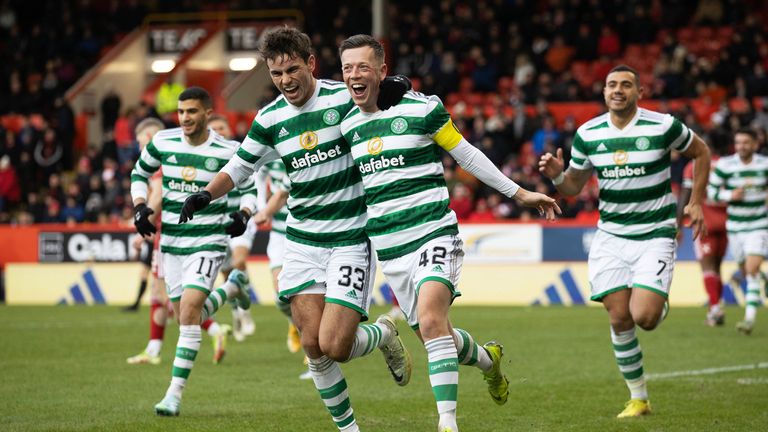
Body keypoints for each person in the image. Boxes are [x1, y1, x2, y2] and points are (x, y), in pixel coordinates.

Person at [178, 28, 413, 431]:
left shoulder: (344, 97)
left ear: (311, 65)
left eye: (291, 70)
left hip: (350, 239)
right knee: (311, 345)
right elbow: (239, 167)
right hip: (302, 241)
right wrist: (205, 194)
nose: (285, 81)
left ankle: (384, 334)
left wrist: (400, 87)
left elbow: (393, 103)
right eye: (276, 74)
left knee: (336, 346)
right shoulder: (270, 118)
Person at [337, 34, 560, 432]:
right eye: (347, 68)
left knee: (432, 319)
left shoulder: (422, 109)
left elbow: (466, 153)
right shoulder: (346, 122)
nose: (355, 75)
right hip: (390, 247)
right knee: (432, 333)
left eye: (363, 67)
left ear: (382, 71)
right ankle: (490, 362)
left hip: (433, 233)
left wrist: (519, 192)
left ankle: (447, 424)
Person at [539, 64, 711, 418]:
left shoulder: (663, 126)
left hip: (655, 233)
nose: (618, 90)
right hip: (611, 236)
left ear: (639, 93)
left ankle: (656, 299)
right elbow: (574, 186)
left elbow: (702, 152)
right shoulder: (588, 133)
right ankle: (639, 399)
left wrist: (696, 200)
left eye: (626, 85)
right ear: (603, 92)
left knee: (644, 317)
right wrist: (558, 178)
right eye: (612, 85)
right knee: (619, 318)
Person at [130, 87, 256, 416]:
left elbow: (250, 188)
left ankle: (173, 394)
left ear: (208, 114)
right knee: (187, 315)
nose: (185, 117)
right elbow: (139, 173)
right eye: (181, 112)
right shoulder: (163, 143)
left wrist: (244, 214)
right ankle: (232, 288)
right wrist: (140, 206)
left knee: (188, 313)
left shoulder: (228, 149)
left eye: (192, 112)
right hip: (171, 245)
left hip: (208, 242)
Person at [126, 118, 232, 366]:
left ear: (153, 137)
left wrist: (143, 217)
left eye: (143, 143)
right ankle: (155, 348)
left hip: (170, 236)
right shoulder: (168, 159)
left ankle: (213, 330)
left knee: (170, 297)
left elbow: (159, 194)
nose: (142, 149)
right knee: (165, 296)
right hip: (169, 234)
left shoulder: (163, 164)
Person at [708, 128, 766, 335]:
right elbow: (711, 191)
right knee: (746, 270)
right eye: (738, 142)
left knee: (750, 270)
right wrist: (730, 194)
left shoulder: (764, 164)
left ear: (755, 144)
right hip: (735, 228)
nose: (741, 146)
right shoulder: (726, 165)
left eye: (746, 143)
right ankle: (764, 279)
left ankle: (749, 319)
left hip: (759, 226)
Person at [208, 114, 257, 341]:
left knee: (239, 261)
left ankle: (245, 310)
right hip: (218, 221)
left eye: (221, 127)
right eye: (214, 129)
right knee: (227, 274)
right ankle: (237, 310)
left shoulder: (241, 154)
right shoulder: (207, 159)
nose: (218, 131)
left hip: (242, 217)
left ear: (228, 130)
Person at [678, 141, 728, 326]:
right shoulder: (726, 165)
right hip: (728, 222)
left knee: (707, 268)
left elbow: (685, 195)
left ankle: (714, 309)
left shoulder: (693, 166)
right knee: (717, 267)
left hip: (704, 222)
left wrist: (678, 225)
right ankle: (716, 306)